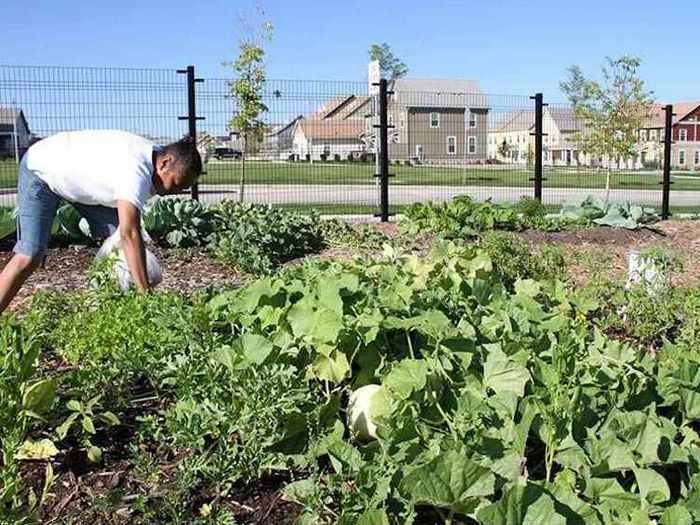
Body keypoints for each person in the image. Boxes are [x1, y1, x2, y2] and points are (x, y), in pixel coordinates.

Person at [0, 130, 202, 313]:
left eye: (183, 188)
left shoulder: (155, 157)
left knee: (119, 244)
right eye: (177, 184)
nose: (176, 192)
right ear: (165, 163)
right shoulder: (135, 170)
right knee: (30, 255)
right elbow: (129, 233)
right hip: (42, 169)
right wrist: (145, 293)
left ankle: (110, 310)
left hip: (77, 181)